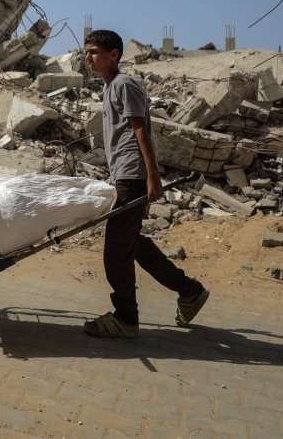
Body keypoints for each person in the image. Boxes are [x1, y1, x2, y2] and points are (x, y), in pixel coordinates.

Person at [82, 29, 209, 338]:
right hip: (125, 175)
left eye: (95, 51)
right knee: (132, 243)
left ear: (114, 55)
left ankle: (126, 319)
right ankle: (189, 291)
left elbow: (141, 132)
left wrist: (152, 177)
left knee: (116, 249)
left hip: (133, 175)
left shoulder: (124, 85)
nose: (89, 57)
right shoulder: (110, 88)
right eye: (86, 52)